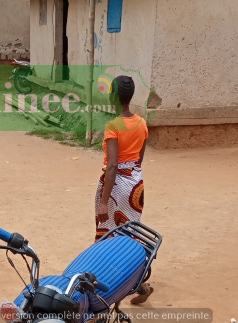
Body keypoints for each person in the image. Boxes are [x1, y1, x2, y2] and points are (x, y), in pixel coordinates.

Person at [95, 75, 151, 304]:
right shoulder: (142, 123)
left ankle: (104, 290)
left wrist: (104, 201)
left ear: (114, 97)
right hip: (135, 185)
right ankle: (140, 284)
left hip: (115, 187)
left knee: (107, 239)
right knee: (131, 238)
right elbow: (139, 159)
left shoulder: (113, 126)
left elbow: (113, 166)